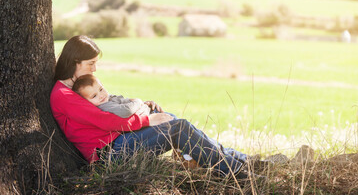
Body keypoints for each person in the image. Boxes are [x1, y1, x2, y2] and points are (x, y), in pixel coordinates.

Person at [50, 35, 255, 179]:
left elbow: (111, 105)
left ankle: (234, 157)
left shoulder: (80, 84)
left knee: (168, 117)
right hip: (109, 154)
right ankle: (235, 172)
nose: (94, 68)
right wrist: (147, 120)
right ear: (75, 61)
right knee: (178, 128)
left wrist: (145, 108)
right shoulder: (63, 95)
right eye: (90, 63)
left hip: (120, 140)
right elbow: (106, 120)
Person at [72, 74, 151, 118]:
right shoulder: (105, 106)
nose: (101, 96)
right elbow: (127, 110)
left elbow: (125, 100)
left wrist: (143, 104)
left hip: (145, 111)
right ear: (86, 102)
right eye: (94, 96)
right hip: (142, 118)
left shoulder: (108, 98)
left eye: (101, 89)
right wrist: (138, 101)